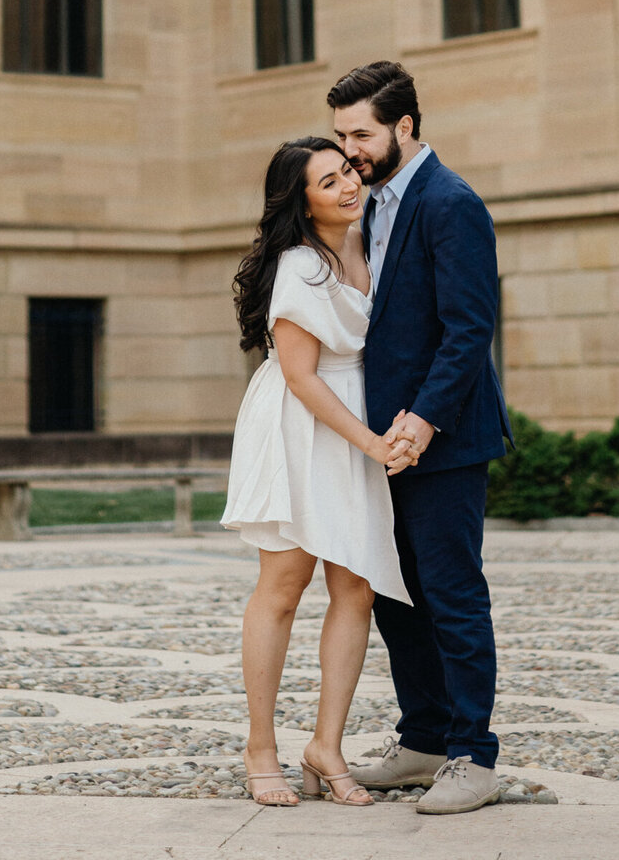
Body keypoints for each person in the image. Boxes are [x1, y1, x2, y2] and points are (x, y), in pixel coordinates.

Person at [328, 61, 513, 816]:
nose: (349, 151)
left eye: (361, 134)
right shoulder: (369, 205)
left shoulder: (450, 202)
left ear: (405, 126)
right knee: (395, 597)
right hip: (382, 443)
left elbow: (469, 329)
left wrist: (423, 419)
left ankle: (474, 755)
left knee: (451, 596)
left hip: (445, 440)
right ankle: (424, 741)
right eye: (340, 136)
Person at [221, 136, 416, 807]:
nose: (347, 186)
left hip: (356, 426)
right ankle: (261, 747)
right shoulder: (299, 267)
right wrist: (370, 442)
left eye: (347, 172)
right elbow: (301, 378)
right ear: (301, 203)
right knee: (282, 585)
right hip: (303, 427)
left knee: (356, 588)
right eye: (328, 181)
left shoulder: (374, 242)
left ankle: (325, 745)